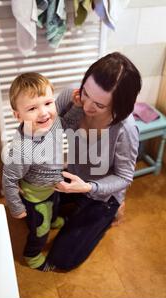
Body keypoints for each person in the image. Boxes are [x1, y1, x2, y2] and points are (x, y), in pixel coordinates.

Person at [44, 52, 142, 271]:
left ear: (119, 107)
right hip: (74, 174)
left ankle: (115, 209)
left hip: (101, 193)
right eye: (86, 93)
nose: (87, 105)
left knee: (61, 260)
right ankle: (74, 207)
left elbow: (125, 176)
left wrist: (89, 187)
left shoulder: (125, 130)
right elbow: (45, 131)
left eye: (98, 105)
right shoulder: (72, 97)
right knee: (30, 210)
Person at [2, 72, 83, 270]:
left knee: (54, 206)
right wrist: (16, 208)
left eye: (47, 103)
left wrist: (78, 106)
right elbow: (9, 179)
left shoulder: (50, 124)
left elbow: (68, 123)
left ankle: (54, 219)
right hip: (36, 197)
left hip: (51, 186)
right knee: (40, 228)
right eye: (32, 108)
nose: (43, 112)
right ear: (17, 115)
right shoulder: (22, 149)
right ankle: (32, 255)